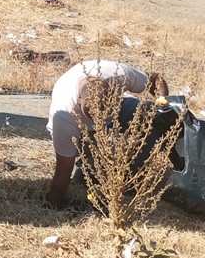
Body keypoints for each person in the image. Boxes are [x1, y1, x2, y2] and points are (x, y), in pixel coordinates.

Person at [45, 60, 168, 209]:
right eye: (95, 117)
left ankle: (132, 175)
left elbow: (156, 80)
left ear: (116, 91)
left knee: (150, 115)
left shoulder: (120, 75)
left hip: (115, 109)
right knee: (89, 163)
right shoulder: (64, 119)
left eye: (107, 114)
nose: (100, 121)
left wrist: (163, 104)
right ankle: (88, 173)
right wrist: (52, 207)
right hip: (77, 123)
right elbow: (62, 174)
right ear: (79, 100)